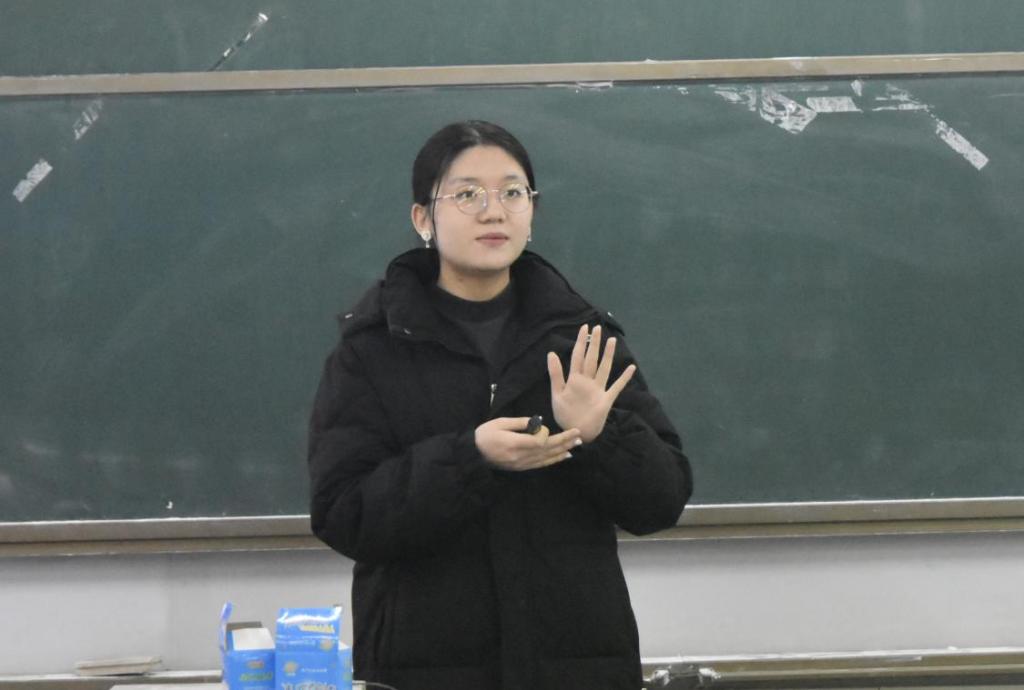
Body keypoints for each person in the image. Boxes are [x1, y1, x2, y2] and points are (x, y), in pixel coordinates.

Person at [307, 120, 692, 690]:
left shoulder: (581, 338)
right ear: (423, 219)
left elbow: (662, 501)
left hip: (576, 666)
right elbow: (344, 514)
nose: (494, 212)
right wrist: (470, 457)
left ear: (532, 213)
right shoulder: (373, 349)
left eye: (513, 192)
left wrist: (599, 434)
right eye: (467, 195)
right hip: (424, 668)